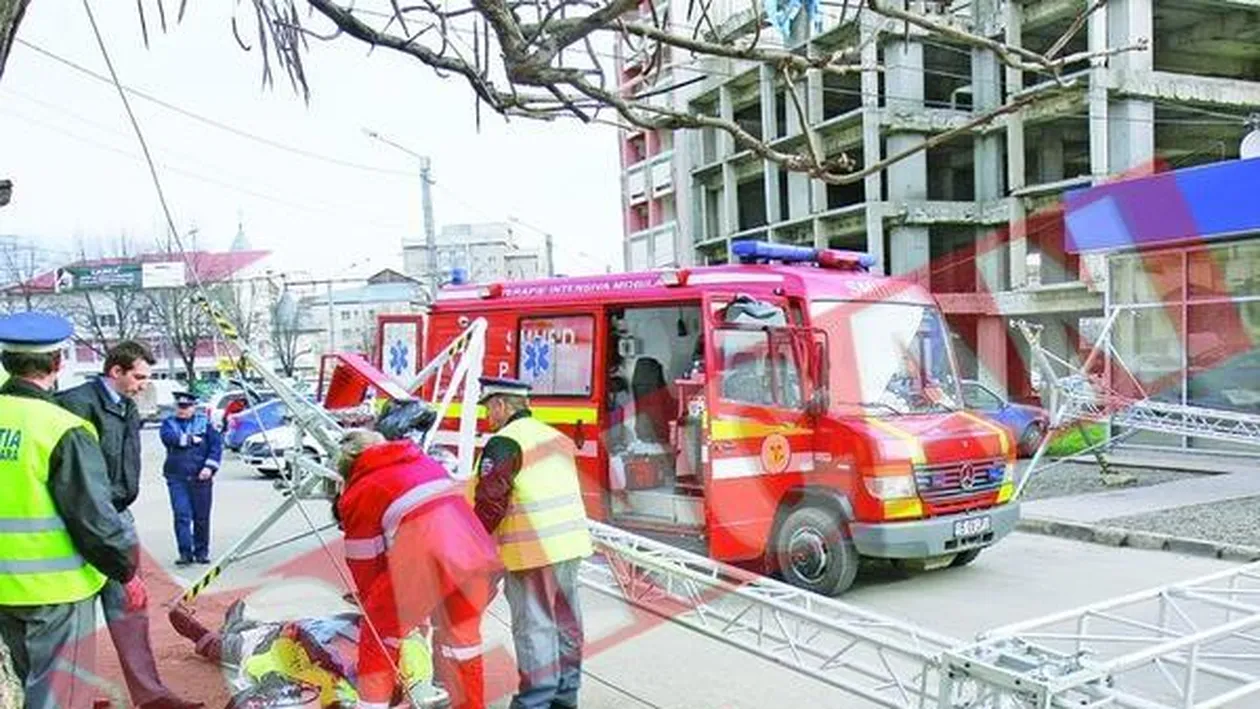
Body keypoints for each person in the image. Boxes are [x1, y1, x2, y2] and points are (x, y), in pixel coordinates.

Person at [0, 312, 147, 708]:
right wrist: (126, 571)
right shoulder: (62, 427)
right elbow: (94, 520)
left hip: (4, 591)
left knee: (26, 685)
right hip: (56, 590)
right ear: (58, 362)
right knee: (59, 695)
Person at [58, 342, 203, 709]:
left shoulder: (125, 406)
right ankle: (78, 697)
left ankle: (151, 695)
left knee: (130, 607)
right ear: (116, 371)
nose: (143, 384)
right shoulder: (75, 404)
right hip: (83, 519)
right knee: (78, 615)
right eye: (139, 376)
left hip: (118, 515)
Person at [335, 399, 503, 709]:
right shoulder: (425, 463)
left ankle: (372, 705)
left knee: (380, 635)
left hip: (425, 562)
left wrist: (370, 600)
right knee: (462, 643)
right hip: (475, 556)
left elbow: (364, 561)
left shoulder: (361, 489)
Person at [473, 377, 594, 709]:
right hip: (569, 544)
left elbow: (490, 500)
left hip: (531, 552)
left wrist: (472, 545)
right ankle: (565, 699)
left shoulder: (505, 442)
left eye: (488, 409)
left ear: (500, 405)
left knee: (535, 629)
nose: (487, 417)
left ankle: (534, 703)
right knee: (566, 624)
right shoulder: (554, 436)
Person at [159, 391, 222, 566]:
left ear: (194, 407)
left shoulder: (206, 424)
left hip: (200, 477)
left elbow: (216, 446)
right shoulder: (169, 423)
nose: (182, 410)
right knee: (182, 515)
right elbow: (168, 438)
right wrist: (190, 439)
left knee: (201, 517)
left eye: (186, 407)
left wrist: (209, 467)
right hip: (176, 477)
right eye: (179, 406)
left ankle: (201, 552)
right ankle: (185, 553)